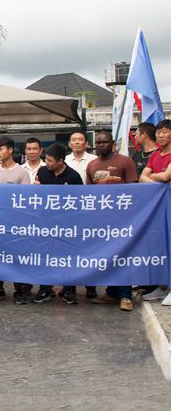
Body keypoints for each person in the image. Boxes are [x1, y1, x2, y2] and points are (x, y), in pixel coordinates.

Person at [87, 130, 138, 312]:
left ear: (112, 143)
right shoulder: (92, 165)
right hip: (101, 220)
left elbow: (134, 190)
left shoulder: (126, 161)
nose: (101, 145)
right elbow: (89, 194)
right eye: (99, 143)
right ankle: (111, 292)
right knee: (107, 257)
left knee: (123, 256)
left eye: (105, 142)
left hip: (122, 219)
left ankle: (125, 296)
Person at [32, 143, 83, 304]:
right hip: (45, 223)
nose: (46, 163)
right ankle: (45, 289)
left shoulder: (73, 177)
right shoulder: (42, 172)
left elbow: (80, 203)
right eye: (46, 159)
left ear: (61, 161)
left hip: (67, 226)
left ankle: (68, 290)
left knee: (67, 259)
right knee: (44, 257)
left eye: (50, 160)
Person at [0, 137, 32, 304]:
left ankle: (19, 290)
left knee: (16, 256)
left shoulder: (21, 172)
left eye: (1, 149)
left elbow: (25, 200)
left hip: (15, 224)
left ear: (10, 150)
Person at [139, 119, 171, 305]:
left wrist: (156, 177)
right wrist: (162, 186)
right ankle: (162, 286)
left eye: (165, 131)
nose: (161, 135)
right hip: (159, 207)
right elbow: (143, 177)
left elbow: (168, 175)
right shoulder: (155, 155)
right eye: (158, 132)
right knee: (160, 245)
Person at [64, 130, 98, 299]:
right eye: (74, 140)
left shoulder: (94, 160)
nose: (77, 142)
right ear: (70, 143)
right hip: (67, 211)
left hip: (88, 210)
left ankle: (90, 285)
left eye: (80, 139)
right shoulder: (64, 160)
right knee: (68, 249)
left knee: (88, 249)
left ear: (86, 143)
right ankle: (68, 286)